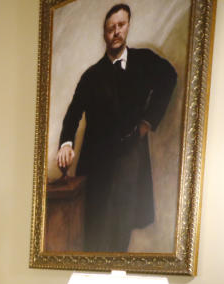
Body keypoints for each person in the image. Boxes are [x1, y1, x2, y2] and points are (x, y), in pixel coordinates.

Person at [56, 3, 177, 253]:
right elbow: (73, 113)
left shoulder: (144, 61)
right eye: (111, 28)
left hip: (130, 159)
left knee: (122, 231)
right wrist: (66, 143)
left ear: (128, 26)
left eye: (121, 25)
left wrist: (147, 121)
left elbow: (169, 76)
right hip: (97, 163)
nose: (116, 32)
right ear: (104, 33)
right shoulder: (91, 76)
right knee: (94, 233)